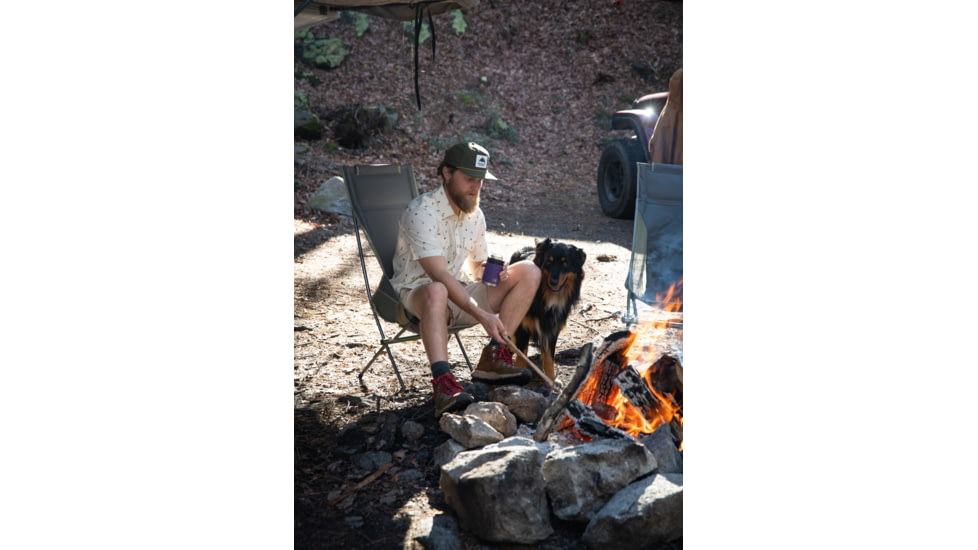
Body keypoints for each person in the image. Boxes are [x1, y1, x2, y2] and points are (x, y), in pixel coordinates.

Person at [390, 142, 541, 417]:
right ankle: (443, 383)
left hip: (458, 293)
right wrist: (483, 315)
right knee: (437, 289)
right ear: (447, 173)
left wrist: (492, 272)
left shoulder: (474, 214)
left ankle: (494, 356)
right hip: (418, 295)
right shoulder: (421, 212)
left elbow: (475, 269)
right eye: (470, 179)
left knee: (530, 270)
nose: (476, 187)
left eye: (480, 181)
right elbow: (438, 275)